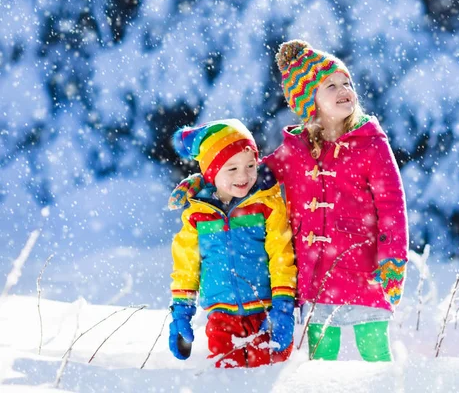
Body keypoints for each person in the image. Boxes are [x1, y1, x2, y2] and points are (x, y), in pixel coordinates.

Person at [170, 40, 408, 362]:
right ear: (311, 100)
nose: (344, 90)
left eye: (346, 82)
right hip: (315, 275)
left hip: (363, 267)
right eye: (331, 85)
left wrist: (392, 258)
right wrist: (209, 180)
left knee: (374, 349)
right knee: (322, 357)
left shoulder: (371, 143)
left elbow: (392, 203)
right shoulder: (296, 149)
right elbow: (253, 175)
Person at [168, 119, 297, 368]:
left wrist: (282, 305)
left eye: (250, 165)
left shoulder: (265, 206)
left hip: (264, 311)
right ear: (211, 173)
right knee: (225, 377)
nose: (244, 175)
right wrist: (181, 310)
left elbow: (281, 254)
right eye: (232, 169)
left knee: (267, 374)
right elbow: (186, 263)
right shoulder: (197, 216)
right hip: (220, 316)